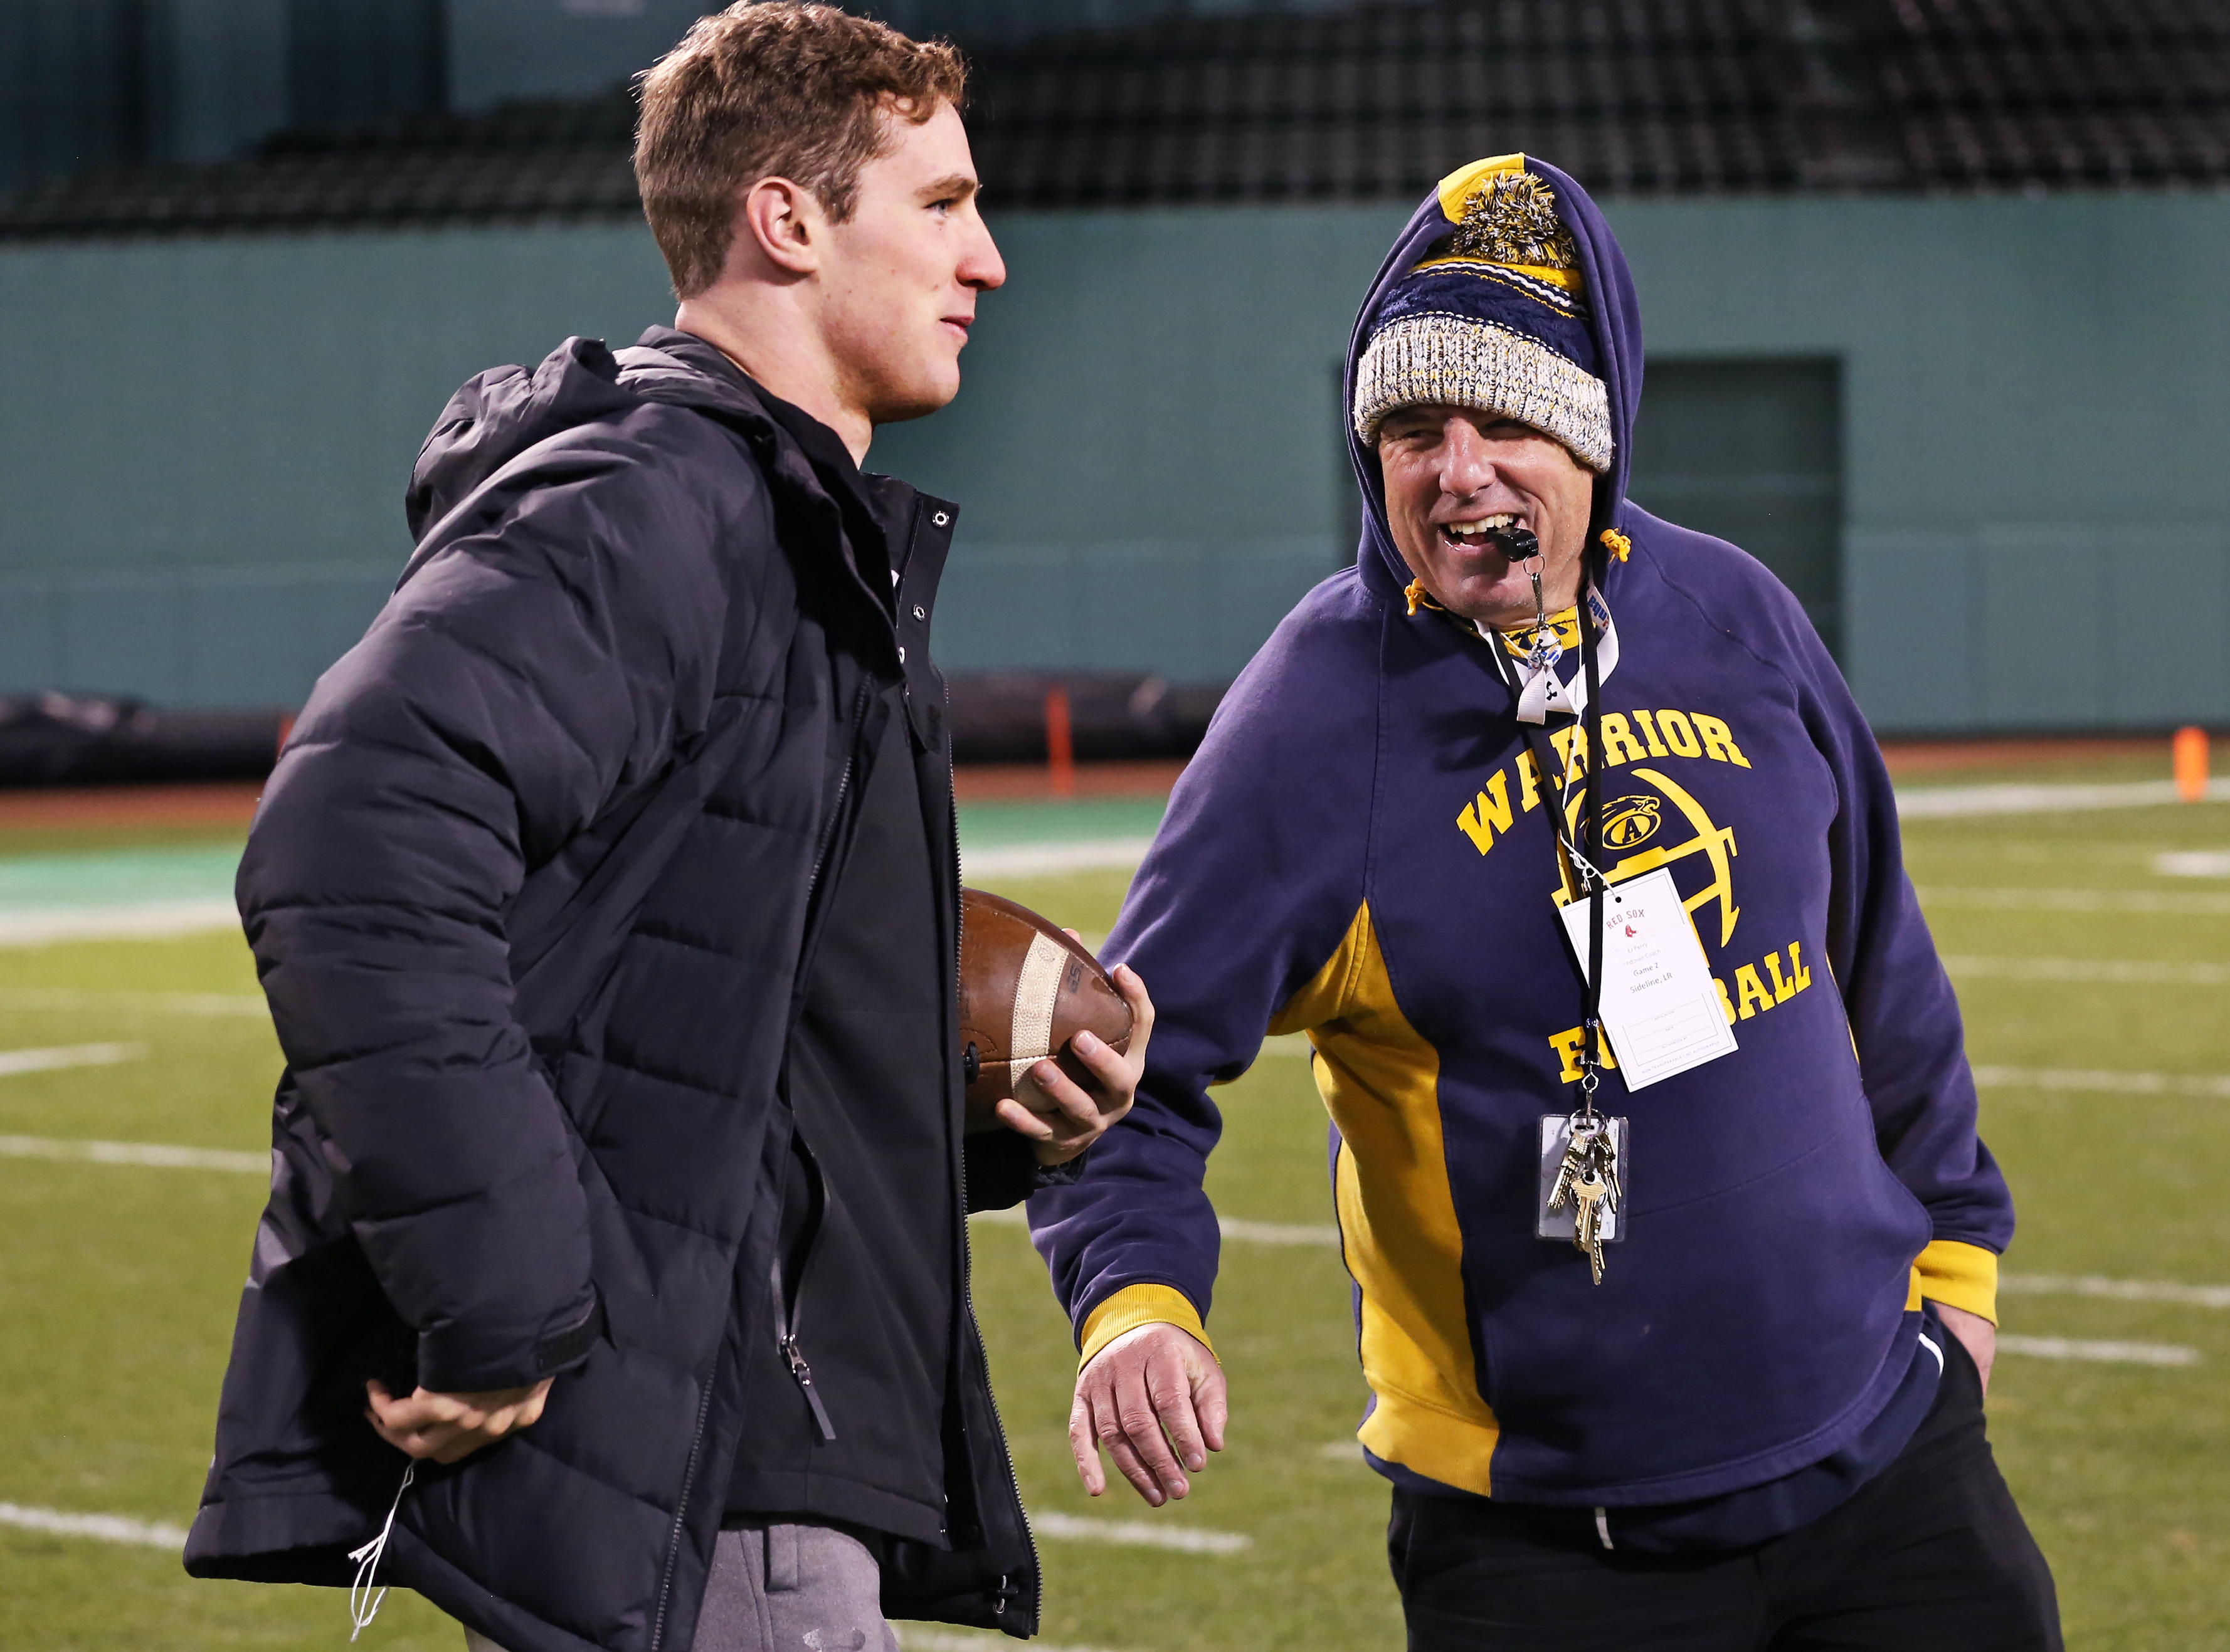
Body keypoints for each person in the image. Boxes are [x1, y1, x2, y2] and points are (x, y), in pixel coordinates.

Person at [184, 8, 1153, 1651]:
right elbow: (351, 839)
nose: (987, 259)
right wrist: (505, 1300)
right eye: (939, 204)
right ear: (787, 218)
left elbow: (712, 1007)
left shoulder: (775, 523)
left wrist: (997, 1105)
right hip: (715, 1472)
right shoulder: (665, 496)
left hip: (751, 1454)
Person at [1030, 154, 2061, 1650]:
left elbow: (1877, 957)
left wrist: (1955, 1264)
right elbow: (1118, 1066)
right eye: (1408, 427)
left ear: (1593, 437)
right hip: (1550, 1548)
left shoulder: (1731, 616)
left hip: (1888, 1462)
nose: (1457, 470)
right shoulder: (1315, 720)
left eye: (1506, 418)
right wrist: (1134, 1299)